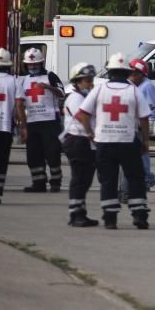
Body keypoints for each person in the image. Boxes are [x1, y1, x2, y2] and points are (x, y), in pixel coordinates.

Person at [75, 53, 152, 230]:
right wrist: (145, 141)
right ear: (127, 72)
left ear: (109, 72)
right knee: (135, 178)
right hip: (128, 141)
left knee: (108, 180)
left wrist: (90, 133)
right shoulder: (134, 90)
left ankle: (110, 218)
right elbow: (144, 118)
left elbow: (82, 114)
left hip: (104, 142)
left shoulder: (99, 90)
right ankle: (139, 215)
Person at [17, 47, 65, 192]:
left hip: (50, 121)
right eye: (30, 65)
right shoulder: (23, 80)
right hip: (32, 121)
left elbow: (62, 93)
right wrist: (21, 123)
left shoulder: (50, 76)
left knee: (52, 152)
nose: (32, 67)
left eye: (35, 64)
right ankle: (38, 183)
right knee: (33, 154)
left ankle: (56, 182)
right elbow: (20, 102)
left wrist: (47, 87)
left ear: (41, 63)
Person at [63, 62, 99, 227]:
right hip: (77, 141)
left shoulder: (84, 97)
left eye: (91, 80)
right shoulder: (75, 98)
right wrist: (91, 134)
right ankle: (76, 214)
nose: (90, 84)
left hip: (84, 142)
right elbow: (82, 117)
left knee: (85, 179)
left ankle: (79, 212)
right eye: (86, 80)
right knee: (79, 178)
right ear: (77, 82)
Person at [118, 59, 155, 200]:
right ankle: (146, 178)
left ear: (140, 74)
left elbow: (150, 107)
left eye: (133, 74)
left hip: (142, 124)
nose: (131, 76)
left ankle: (146, 179)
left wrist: (150, 122)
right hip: (136, 124)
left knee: (143, 154)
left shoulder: (147, 86)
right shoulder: (134, 86)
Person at [0, 48, 23, 206]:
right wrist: (23, 127)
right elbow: (19, 106)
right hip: (5, 127)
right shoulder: (14, 81)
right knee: (1, 159)